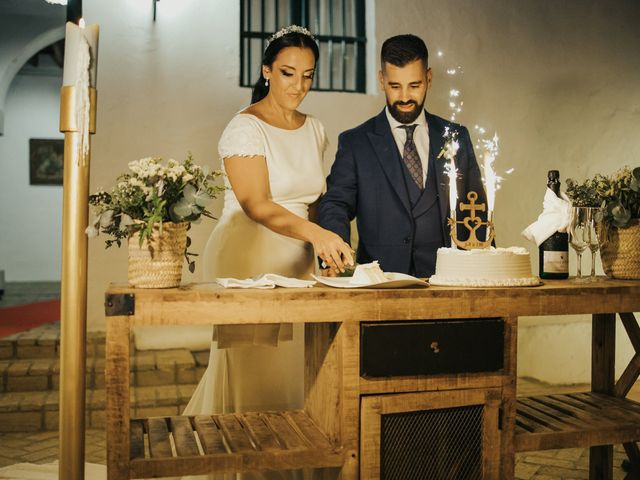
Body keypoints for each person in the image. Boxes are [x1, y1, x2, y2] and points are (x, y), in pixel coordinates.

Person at [183, 25, 352, 479]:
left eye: (308, 76)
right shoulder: (244, 127)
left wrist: (324, 244)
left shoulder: (315, 129)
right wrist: (316, 234)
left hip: (299, 258)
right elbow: (257, 204)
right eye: (287, 73)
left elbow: (315, 199)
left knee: (300, 375)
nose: (298, 86)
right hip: (248, 255)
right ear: (266, 71)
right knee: (256, 377)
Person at [318, 34, 487, 278]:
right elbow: (336, 205)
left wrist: (487, 275)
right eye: (395, 86)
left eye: (415, 85)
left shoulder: (456, 137)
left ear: (429, 78)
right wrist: (333, 252)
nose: (405, 97)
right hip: (379, 287)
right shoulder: (356, 143)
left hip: (451, 281)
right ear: (381, 80)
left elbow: (478, 210)